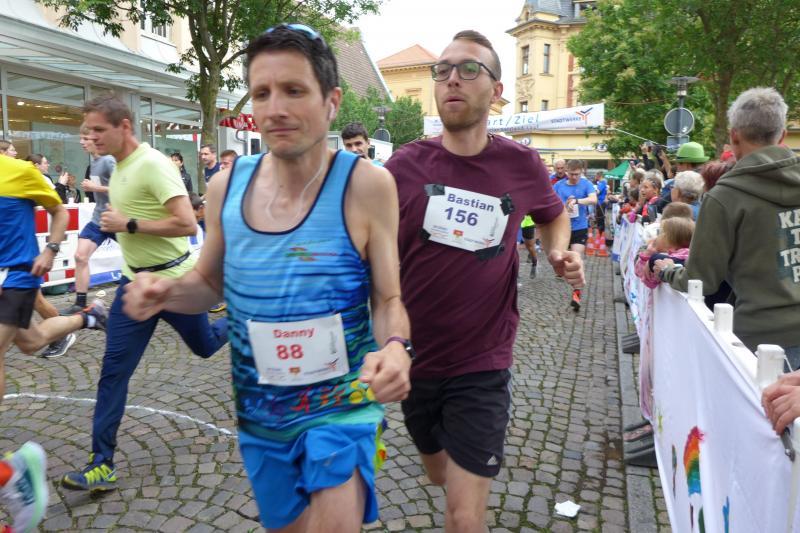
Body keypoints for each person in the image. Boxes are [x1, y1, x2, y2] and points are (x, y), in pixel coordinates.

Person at [121, 23, 411, 532]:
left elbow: (388, 298)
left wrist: (395, 348)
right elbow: (208, 285)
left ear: (331, 102)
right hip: (261, 414)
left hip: (342, 408)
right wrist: (165, 291)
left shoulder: (367, 185)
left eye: (294, 90)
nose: (274, 108)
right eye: (262, 93)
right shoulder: (226, 186)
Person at [384, 30, 583, 532]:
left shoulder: (521, 163)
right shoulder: (403, 166)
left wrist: (559, 250)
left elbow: (553, 214)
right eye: (443, 70)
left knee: (463, 513)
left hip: (482, 362)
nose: (452, 78)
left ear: (496, 90)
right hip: (414, 358)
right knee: (438, 474)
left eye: (469, 69)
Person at [60, 94, 229, 492]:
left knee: (205, 346)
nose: (91, 137)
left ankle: (238, 323)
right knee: (113, 372)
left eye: (99, 130)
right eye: (88, 130)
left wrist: (129, 224)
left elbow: (187, 223)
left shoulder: (153, 164)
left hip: (174, 284)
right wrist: (111, 228)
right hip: (133, 287)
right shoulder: (117, 168)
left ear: (124, 127)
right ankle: (101, 463)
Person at [1, 150, 109, 533]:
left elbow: (59, 211)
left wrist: (50, 249)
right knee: (30, 342)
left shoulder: (20, 172)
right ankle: (88, 316)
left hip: (17, 274)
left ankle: (12, 476)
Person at [655, 87, 800, 367]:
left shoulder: (725, 197)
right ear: (782, 135)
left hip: (762, 339)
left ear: (734, 136)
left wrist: (667, 271)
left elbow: (701, 280)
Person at [61, 127, 117, 316]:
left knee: (139, 260)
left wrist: (96, 188)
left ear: (97, 139)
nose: (81, 142)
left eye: (85, 138)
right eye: (81, 138)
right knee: (80, 256)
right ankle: (80, 303)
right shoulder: (93, 162)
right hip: (98, 219)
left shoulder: (109, 160)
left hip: (117, 219)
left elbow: (124, 188)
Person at [553, 159, 597, 311]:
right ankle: (563, 274)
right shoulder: (558, 186)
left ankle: (576, 295)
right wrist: (562, 207)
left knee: (576, 258)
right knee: (562, 259)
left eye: (577, 174)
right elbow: (550, 203)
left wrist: (578, 201)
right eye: (571, 174)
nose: (574, 177)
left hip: (579, 228)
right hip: (562, 228)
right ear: (566, 171)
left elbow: (593, 199)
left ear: (581, 172)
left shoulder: (586, 184)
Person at [635, 217, 694, 289]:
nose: (657, 236)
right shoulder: (677, 254)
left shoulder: (680, 256)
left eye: (661, 233)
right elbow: (638, 273)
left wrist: (649, 256)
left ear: (671, 242)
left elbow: (650, 282)